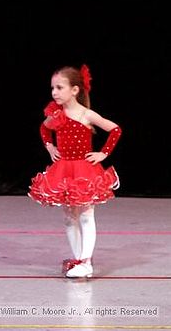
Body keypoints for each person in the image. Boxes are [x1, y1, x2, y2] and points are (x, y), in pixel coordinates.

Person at [28, 64, 122, 278]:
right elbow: (44, 128)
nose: (54, 92)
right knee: (69, 217)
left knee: (87, 216)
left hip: (84, 171)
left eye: (59, 87)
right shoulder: (57, 114)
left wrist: (103, 154)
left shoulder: (86, 115)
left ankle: (86, 262)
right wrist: (50, 147)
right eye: (52, 88)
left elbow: (115, 129)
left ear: (75, 90)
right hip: (63, 170)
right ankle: (78, 258)